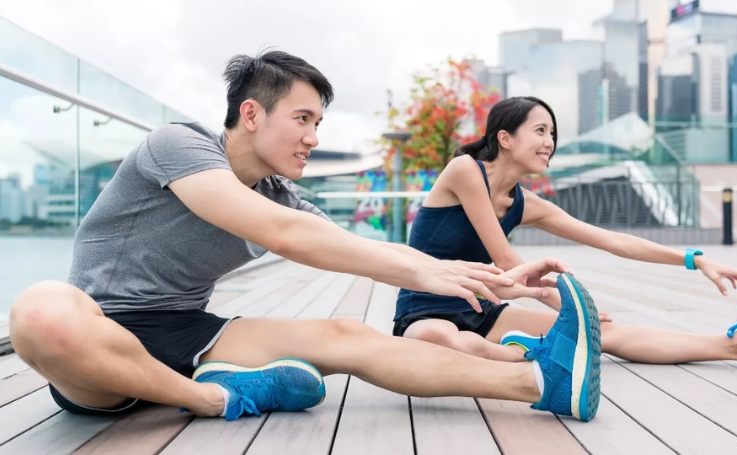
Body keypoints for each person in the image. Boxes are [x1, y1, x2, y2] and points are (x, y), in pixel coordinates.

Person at [8, 53, 602, 423]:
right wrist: (427, 274)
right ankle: (214, 398)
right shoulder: (177, 145)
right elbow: (283, 235)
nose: (314, 137)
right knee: (40, 313)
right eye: (303, 119)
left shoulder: (281, 194)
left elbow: (356, 246)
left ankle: (538, 381)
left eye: (319, 122)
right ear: (250, 114)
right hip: (95, 330)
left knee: (345, 334)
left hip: (183, 331)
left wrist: (484, 277)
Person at [394, 96, 737, 372]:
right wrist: (567, 305)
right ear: (505, 138)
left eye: (553, 133)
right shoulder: (465, 170)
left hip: (482, 309)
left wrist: (696, 259)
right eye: (540, 130)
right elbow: (507, 261)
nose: (550, 142)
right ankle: (532, 360)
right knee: (438, 340)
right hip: (426, 310)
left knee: (602, 333)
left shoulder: (525, 203)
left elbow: (613, 240)